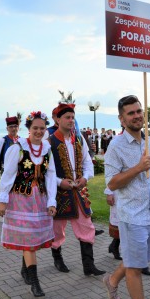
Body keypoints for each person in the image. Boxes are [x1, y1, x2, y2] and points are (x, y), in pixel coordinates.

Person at [103, 95, 150, 299]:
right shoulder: (116, 146)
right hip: (131, 217)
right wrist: (138, 168)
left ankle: (112, 280)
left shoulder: (148, 141)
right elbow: (112, 183)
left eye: (139, 111)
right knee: (135, 268)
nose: (136, 116)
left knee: (138, 261)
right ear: (121, 119)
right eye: (130, 113)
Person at [0, 111, 57, 297]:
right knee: (30, 241)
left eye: (42, 128)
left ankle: (25, 269)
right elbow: (8, 175)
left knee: (33, 239)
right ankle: (35, 282)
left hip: (39, 198)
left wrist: (52, 200)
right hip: (20, 198)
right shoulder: (18, 148)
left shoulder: (47, 149)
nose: (39, 131)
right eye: (35, 128)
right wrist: (2, 200)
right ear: (29, 129)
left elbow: (51, 175)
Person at [48, 103, 105, 276]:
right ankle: (58, 259)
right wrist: (59, 182)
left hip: (79, 191)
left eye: (73, 117)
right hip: (59, 193)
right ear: (58, 120)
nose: (71, 120)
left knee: (86, 226)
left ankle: (89, 266)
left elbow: (87, 161)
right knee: (57, 230)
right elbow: (45, 171)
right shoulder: (49, 141)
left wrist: (85, 178)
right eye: (67, 117)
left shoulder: (79, 138)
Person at [105, 186, 150, 276]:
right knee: (128, 227)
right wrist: (109, 192)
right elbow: (111, 175)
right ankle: (141, 263)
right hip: (123, 194)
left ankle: (114, 246)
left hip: (139, 195)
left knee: (137, 228)